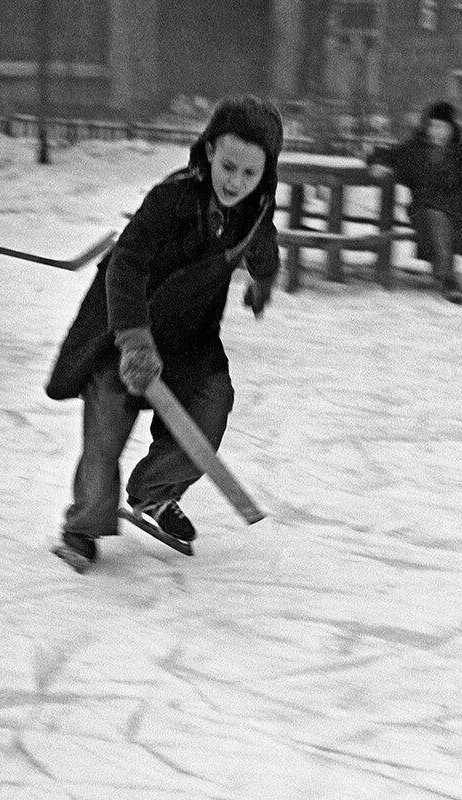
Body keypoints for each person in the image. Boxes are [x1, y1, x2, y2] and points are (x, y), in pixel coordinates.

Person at [45, 96, 284, 571]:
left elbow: (263, 238)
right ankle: (83, 525)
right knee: (107, 425)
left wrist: (264, 278)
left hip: (191, 333)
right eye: (228, 166)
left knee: (212, 405)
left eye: (249, 174)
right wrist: (135, 340)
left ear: (265, 173)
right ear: (210, 150)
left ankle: (154, 492)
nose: (235, 182)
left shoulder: (254, 207)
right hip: (125, 323)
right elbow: (126, 267)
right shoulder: (171, 198)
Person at [367, 101, 462, 303]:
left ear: (451, 129)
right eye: (432, 126)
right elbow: (384, 152)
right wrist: (378, 164)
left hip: (456, 208)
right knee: (439, 219)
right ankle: (447, 280)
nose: (436, 131)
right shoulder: (415, 150)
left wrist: (458, 200)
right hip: (424, 209)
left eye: (441, 127)